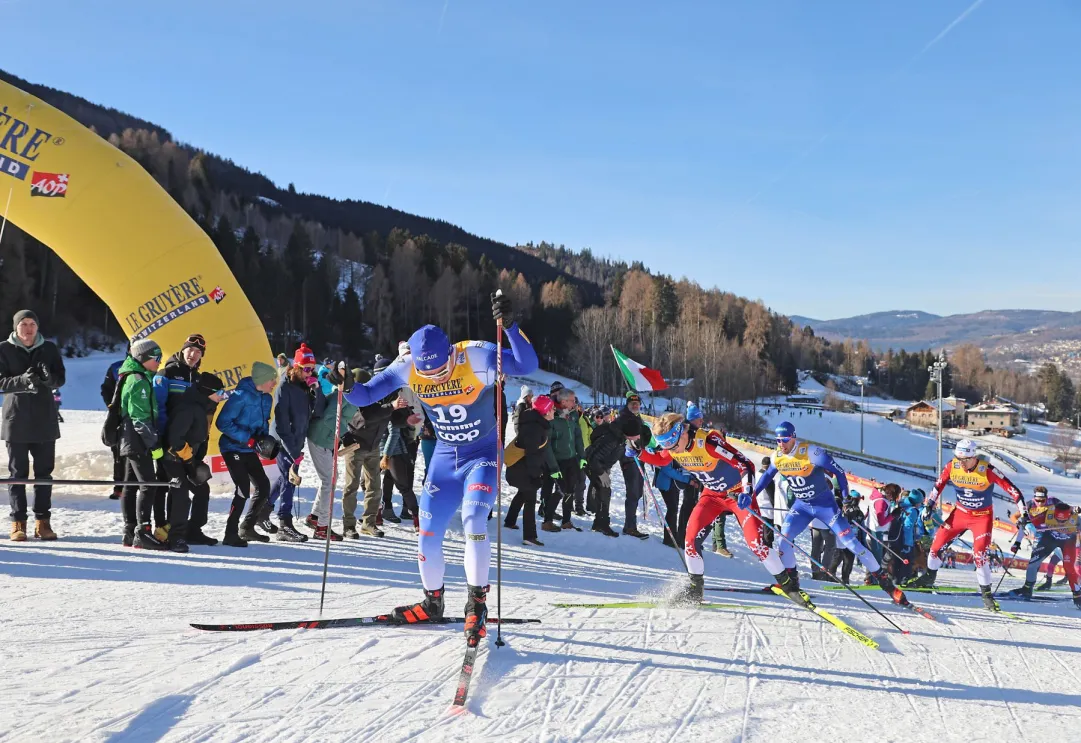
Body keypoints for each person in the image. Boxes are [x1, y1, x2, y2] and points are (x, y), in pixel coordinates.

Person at [340, 293, 537, 643]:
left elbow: (526, 365)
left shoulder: (475, 354)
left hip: (481, 455)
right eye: (427, 375)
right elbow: (366, 395)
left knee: (474, 520)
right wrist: (346, 384)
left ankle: (476, 605)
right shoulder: (406, 365)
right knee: (427, 533)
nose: (436, 380)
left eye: (443, 371)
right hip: (445, 459)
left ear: (451, 354)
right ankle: (433, 602)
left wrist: (509, 326)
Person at [752, 421, 912, 607]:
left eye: (785, 439)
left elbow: (839, 472)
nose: (781, 444)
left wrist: (845, 499)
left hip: (826, 507)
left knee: (851, 543)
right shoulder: (777, 456)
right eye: (778, 440)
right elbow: (766, 477)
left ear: (793, 437)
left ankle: (888, 586)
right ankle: (792, 583)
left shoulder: (811, 453)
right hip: (801, 507)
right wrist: (751, 495)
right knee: (782, 542)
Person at [638, 414, 783, 602]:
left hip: (737, 494)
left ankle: (788, 584)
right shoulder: (672, 446)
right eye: (667, 447)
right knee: (689, 540)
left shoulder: (708, 442)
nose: (671, 451)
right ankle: (695, 589)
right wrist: (640, 453)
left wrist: (747, 491)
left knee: (756, 544)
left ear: (681, 432)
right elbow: (661, 459)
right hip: (712, 496)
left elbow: (745, 464)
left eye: (672, 446)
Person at [912, 438, 1025, 611]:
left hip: (982, 518)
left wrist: (1023, 511)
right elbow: (938, 485)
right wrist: (929, 504)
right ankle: (929, 577)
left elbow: (1014, 491)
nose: (961, 463)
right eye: (959, 459)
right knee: (935, 547)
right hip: (960, 514)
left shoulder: (987, 470)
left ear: (974, 457)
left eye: (965, 459)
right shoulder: (953, 466)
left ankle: (987, 595)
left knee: (980, 555)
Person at [0, 310, 66, 541]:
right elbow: (1, 382)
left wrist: (48, 378)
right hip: (16, 421)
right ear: (16, 327)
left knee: (44, 474)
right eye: (23, 324)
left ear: (37, 327)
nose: (28, 328)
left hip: (44, 421)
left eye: (32, 324)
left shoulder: (49, 349)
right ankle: (18, 523)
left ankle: (43, 522)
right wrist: (22, 380)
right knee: (17, 474)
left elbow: (60, 379)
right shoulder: (4, 349)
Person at [266, 345, 327, 541]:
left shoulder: (307, 386)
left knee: (285, 478)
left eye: (311, 369)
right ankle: (285, 524)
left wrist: (316, 390)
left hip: (297, 439)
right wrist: (294, 452)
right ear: (296, 367)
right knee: (290, 478)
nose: (309, 372)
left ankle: (262, 510)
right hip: (283, 440)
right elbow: (282, 423)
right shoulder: (285, 386)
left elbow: (319, 411)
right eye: (305, 369)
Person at [216, 361, 278, 547]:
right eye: (272, 380)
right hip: (232, 447)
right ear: (262, 379)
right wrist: (249, 439)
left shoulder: (266, 398)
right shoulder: (240, 396)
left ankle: (247, 528)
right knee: (243, 487)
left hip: (248, 448)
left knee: (263, 485)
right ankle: (230, 533)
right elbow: (223, 423)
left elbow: (264, 423)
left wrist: (264, 441)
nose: (274, 383)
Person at [161, 372, 225, 550]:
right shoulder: (188, 407)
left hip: (188, 457)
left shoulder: (206, 407)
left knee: (202, 489)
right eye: (219, 392)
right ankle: (176, 537)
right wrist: (189, 460)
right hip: (172, 458)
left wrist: (195, 460)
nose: (222, 396)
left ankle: (193, 530)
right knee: (181, 492)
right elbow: (175, 439)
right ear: (207, 391)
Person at [116, 339, 166, 549]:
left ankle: (130, 531)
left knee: (130, 484)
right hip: (137, 441)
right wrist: (154, 445)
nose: (159, 362)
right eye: (156, 358)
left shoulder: (137, 376)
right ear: (143, 358)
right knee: (149, 484)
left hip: (130, 440)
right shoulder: (138, 380)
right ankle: (142, 531)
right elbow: (140, 419)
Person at [1007, 488, 1081, 608]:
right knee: (1033, 563)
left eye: (1063, 520)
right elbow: (1023, 522)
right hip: (1049, 539)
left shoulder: (1073, 516)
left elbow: (1069, 507)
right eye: (1058, 520)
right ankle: (1027, 588)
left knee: (1071, 568)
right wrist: (1019, 537)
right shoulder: (1045, 513)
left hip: (1068, 542)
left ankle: (1077, 594)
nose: (1060, 522)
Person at [504, 394, 559, 546]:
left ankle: (510, 521)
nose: (554, 411)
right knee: (529, 499)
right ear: (546, 411)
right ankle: (529, 536)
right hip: (522, 469)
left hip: (520, 468)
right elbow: (532, 454)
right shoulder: (535, 428)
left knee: (523, 493)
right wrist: (535, 475)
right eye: (552, 409)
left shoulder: (534, 423)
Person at [584, 415, 643, 537]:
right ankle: (601, 524)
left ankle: (599, 523)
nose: (638, 437)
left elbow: (617, 455)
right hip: (591, 464)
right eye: (637, 434)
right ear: (630, 433)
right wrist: (601, 473)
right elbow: (594, 458)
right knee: (604, 491)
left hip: (601, 465)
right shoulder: (612, 439)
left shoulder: (621, 439)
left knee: (604, 491)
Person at [540, 387, 585, 533]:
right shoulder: (551, 416)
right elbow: (546, 446)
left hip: (571, 459)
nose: (575, 403)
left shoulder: (573, 415)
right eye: (572, 400)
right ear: (564, 401)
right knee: (561, 490)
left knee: (570, 490)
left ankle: (566, 521)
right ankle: (547, 520)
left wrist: (582, 456)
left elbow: (577, 436)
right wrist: (553, 468)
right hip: (556, 461)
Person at [379, 393, 424, 534]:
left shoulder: (391, 406)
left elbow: (394, 433)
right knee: (369, 483)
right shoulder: (379, 403)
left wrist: (386, 455)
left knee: (402, 484)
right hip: (377, 448)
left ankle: (417, 518)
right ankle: (377, 513)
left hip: (392, 451)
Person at [615, 391, 652, 539]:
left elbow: (643, 438)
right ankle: (629, 527)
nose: (635, 405)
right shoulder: (623, 418)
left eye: (637, 404)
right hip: (629, 460)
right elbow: (617, 434)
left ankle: (631, 525)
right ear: (628, 404)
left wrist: (646, 436)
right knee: (632, 493)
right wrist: (625, 441)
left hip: (639, 457)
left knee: (637, 493)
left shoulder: (637, 418)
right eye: (632, 404)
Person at [100, 351, 127, 500]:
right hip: (118, 418)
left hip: (140, 417)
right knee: (118, 454)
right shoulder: (116, 367)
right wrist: (112, 407)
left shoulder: (150, 366)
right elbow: (105, 389)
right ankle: (119, 487)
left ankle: (138, 486)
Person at [826, 492, 867, 584]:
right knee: (836, 558)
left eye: (858, 500)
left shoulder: (858, 511)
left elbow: (861, 527)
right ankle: (830, 576)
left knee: (848, 561)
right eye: (855, 500)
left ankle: (845, 579)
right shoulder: (840, 509)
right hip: (840, 539)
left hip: (852, 538)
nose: (856, 502)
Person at [756, 456, 776, 549]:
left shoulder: (756, 474)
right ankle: (767, 553)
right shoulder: (767, 478)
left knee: (761, 531)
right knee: (768, 534)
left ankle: (762, 550)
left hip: (758, 506)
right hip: (767, 509)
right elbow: (772, 496)